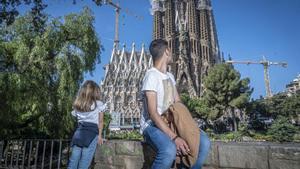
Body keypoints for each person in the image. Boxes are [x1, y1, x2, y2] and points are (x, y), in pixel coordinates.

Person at [140, 39, 211, 169]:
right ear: (167, 51)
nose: (172, 54)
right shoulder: (151, 76)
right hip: (151, 126)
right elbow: (153, 113)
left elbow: (178, 103)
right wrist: (174, 137)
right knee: (169, 150)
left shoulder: (170, 76)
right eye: (171, 51)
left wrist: (187, 127)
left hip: (171, 122)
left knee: (204, 142)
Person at [68, 80, 106, 169]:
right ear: (95, 91)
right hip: (92, 134)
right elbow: (100, 122)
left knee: (73, 160)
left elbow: (78, 121)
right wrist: (100, 136)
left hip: (79, 134)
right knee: (84, 162)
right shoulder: (99, 104)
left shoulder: (78, 105)